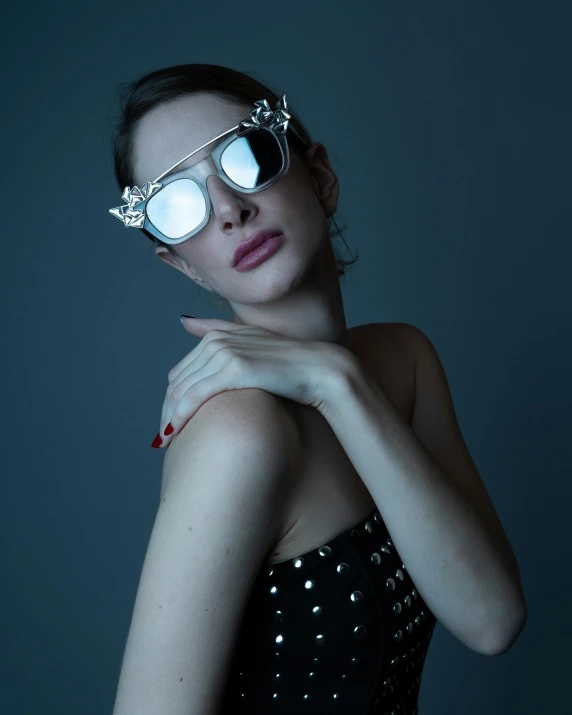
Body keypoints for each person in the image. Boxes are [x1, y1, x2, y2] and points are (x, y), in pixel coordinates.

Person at [108, 64, 526, 715]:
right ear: (181, 262)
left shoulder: (403, 360)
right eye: (178, 205)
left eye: (246, 156)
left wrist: (336, 380)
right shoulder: (239, 432)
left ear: (321, 177)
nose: (228, 210)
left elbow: (493, 619)